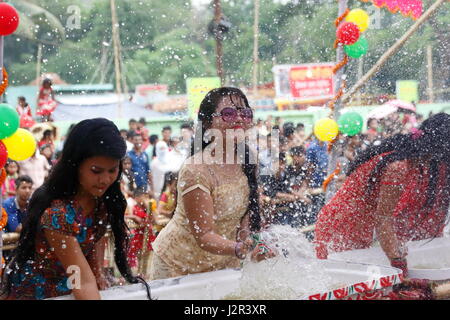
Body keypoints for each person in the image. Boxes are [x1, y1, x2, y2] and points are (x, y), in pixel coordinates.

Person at [0, 118, 151, 300]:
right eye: (96, 170)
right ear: (75, 165)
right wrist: (92, 280)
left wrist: (98, 274)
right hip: (37, 293)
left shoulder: (102, 200)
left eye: (112, 170)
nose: (105, 180)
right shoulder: (58, 215)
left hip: (70, 286)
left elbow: (93, 240)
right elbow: (83, 283)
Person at [150, 87, 276, 280]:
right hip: (179, 265)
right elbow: (204, 235)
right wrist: (239, 249)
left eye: (245, 113)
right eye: (228, 113)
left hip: (226, 260)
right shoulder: (196, 169)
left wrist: (250, 246)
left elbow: (245, 217)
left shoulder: (250, 160)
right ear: (208, 124)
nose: (239, 119)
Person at [315, 113, 450, 278]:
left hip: (359, 223)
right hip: (342, 224)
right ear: (440, 147)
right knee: (342, 283)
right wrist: (398, 263)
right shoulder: (399, 166)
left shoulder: (411, 159)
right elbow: (384, 220)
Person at [126, 188, 155, 275]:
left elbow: (152, 219)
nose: (145, 198)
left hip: (148, 235)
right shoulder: (136, 208)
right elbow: (144, 221)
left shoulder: (147, 207)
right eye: (143, 196)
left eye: (145, 196)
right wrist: (134, 217)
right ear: (136, 198)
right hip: (140, 237)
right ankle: (139, 274)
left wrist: (147, 205)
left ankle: (144, 274)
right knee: (140, 257)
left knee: (147, 257)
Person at [154, 171, 178, 236]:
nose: (176, 188)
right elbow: (159, 210)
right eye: (175, 185)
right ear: (168, 185)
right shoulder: (166, 195)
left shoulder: (178, 195)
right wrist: (170, 214)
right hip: (163, 227)